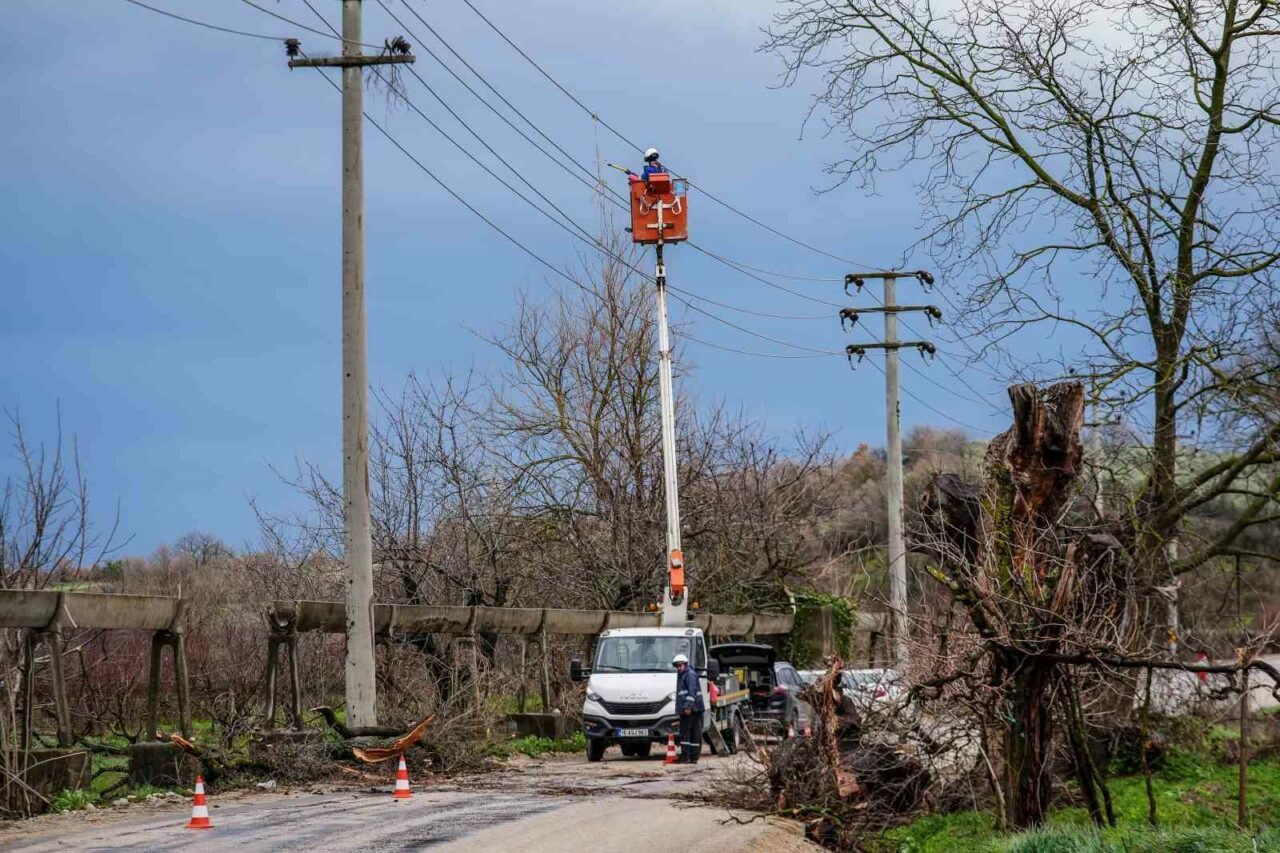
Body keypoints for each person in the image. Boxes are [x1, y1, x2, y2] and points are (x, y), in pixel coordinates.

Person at [673, 652, 704, 764]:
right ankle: (693, 757)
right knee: (693, 732)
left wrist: (688, 707)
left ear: (685, 664)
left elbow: (692, 692)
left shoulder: (689, 675)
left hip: (691, 709)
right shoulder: (684, 674)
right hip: (694, 708)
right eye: (676, 666)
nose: (678, 668)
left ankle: (686, 756)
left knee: (686, 733)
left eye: (679, 665)